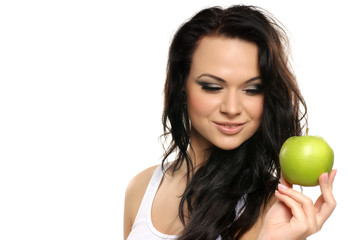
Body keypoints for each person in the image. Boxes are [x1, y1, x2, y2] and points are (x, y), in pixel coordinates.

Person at [123, 5, 337, 240]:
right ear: (181, 87)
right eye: (213, 87)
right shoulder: (141, 189)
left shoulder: (277, 211)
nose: (232, 108)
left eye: (252, 89)